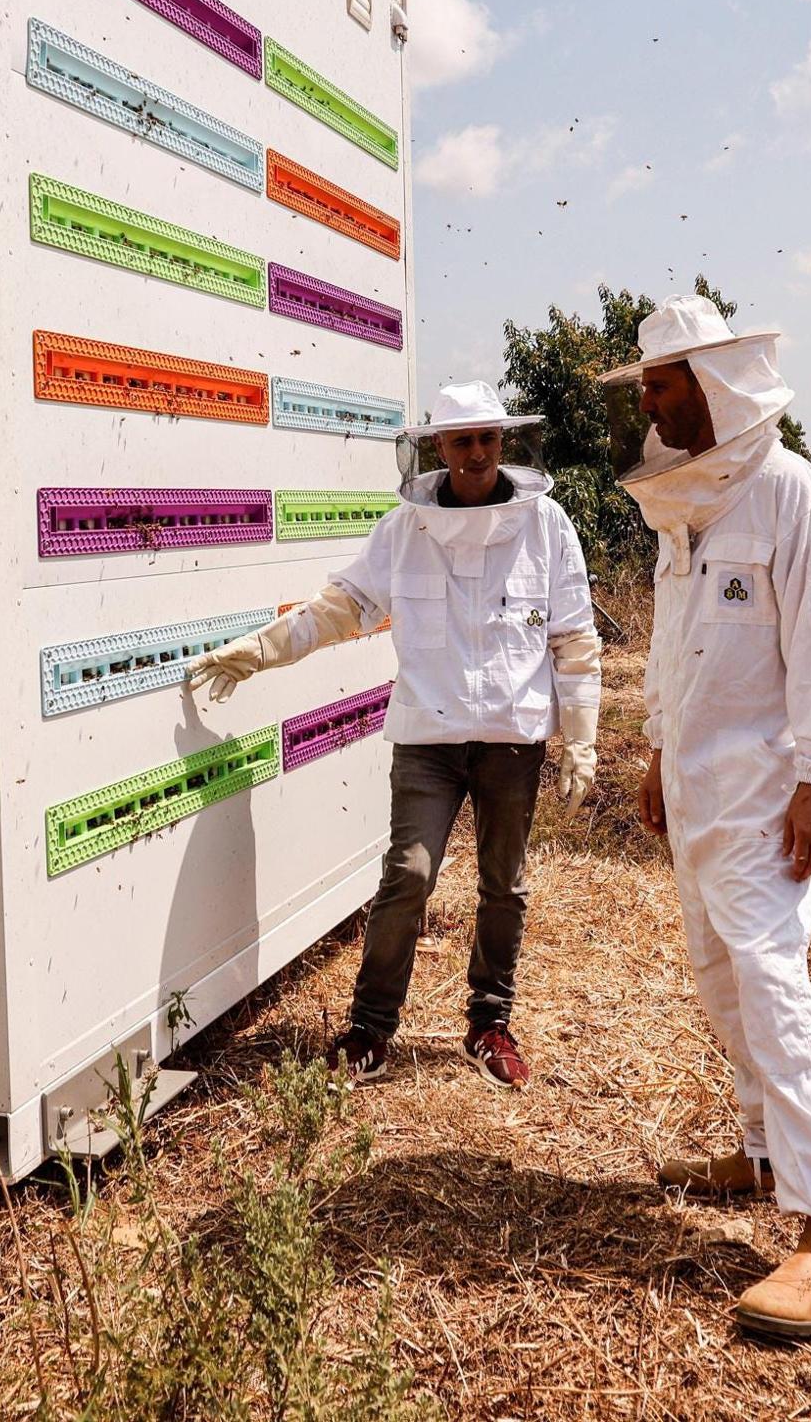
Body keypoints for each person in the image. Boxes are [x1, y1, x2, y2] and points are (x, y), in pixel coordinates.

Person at [188, 382, 601, 1089]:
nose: (476, 454)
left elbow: (573, 641)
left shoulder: (548, 524)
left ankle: (490, 1022)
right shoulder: (403, 529)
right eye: (461, 440)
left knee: (505, 885)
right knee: (407, 875)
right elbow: (339, 608)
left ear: (504, 442)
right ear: (436, 447)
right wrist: (260, 650)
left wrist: (582, 741)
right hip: (427, 738)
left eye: (487, 439)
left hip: (512, 739)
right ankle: (370, 1032)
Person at [600, 295, 811, 1340]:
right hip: (701, 791)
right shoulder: (691, 501)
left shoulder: (787, 493)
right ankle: (764, 1154)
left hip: (768, 793)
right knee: (720, 974)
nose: (652, 402)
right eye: (650, 385)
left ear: (713, 383)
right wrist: (660, 751)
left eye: (663, 384)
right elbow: (678, 649)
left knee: (769, 982)